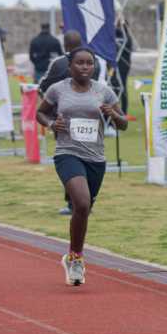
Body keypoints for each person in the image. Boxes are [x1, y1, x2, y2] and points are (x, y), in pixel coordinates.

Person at [36, 46, 127, 286]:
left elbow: (124, 124)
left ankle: (71, 254)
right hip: (67, 153)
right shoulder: (58, 89)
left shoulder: (103, 91)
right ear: (70, 66)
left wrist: (114, 116)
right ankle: (76, 259)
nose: (85, 67)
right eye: (80, 63)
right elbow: (40, 113)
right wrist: (52, 125)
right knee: (82, 202)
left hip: (95, 158)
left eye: (89, 63)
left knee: (83, 210)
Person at [40, 30, 102, 216]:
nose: (84, 67)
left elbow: (43, 85)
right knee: (73, 158)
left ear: (65, 45)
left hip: (65, 119)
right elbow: (102, 86)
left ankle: (75, 203)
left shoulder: (58, 63)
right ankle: (80, 203)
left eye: (87, 64)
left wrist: (53, 116)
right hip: (91, 116)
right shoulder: (97, 62)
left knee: (71, 155)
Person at [114, 18, 134, 117]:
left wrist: (123, 24)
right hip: (114, 65)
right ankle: (114, 110)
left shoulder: (128, 38)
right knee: (114, 87)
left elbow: (124, 47)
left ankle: (124, 111)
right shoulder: (115, 35)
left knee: (122, 87)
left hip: (124, 66)